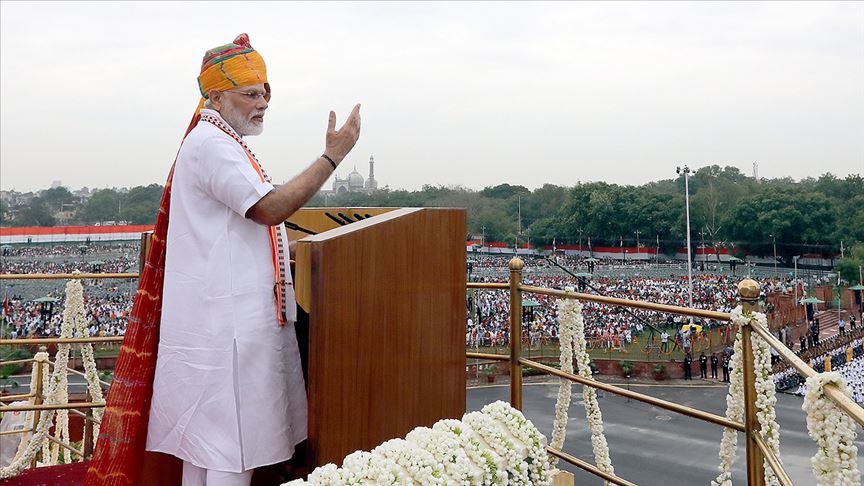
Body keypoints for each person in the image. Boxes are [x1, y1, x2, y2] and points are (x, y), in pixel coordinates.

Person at [87, 34, 361, 486]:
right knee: (231, 452)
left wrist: (295, 250)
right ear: (215, 95)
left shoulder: (220, 141)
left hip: (220, 330)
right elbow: (269, 208)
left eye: (265, 93)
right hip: (227, 334)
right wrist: (334, 155)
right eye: (251, 93)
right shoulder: (213, 144)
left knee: (207, 451)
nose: (263, 103)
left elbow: (240, 230)